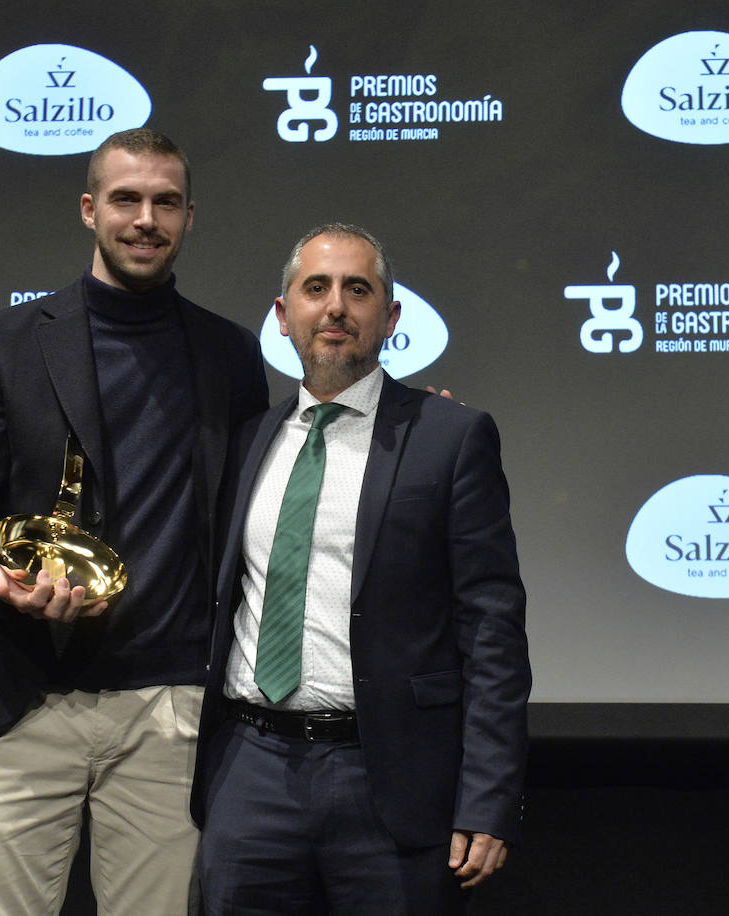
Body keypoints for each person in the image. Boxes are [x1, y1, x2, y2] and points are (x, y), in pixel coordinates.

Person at [0, 128, 268, 915]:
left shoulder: (232, 354)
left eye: (165, 202)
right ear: (88, 209)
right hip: (21, 692)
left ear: (188, 215)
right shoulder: (3, 343)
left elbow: (259, 500)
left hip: (169, 706)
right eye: (126, 199)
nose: (146, 218)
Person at [191, 224, 531, 914]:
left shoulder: (450, 438)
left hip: (391, 780)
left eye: (358, 289)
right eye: (315, 288)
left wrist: (489, 797)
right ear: (283, 317)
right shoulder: (246, 438)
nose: (336, 307)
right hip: (250, 772)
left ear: (391, 316)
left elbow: (492, 630)